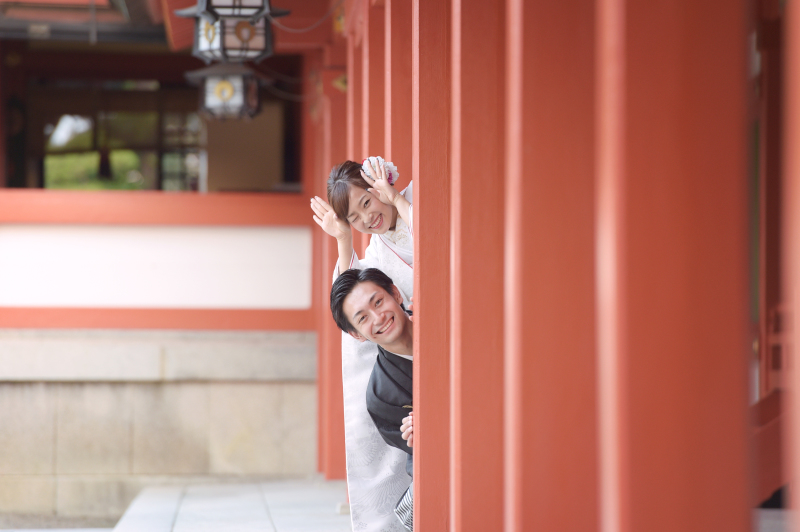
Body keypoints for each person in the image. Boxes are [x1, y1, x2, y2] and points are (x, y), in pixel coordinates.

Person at [310, 159, 414, 532]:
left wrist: (398, 200)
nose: (367, 219)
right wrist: (342, 239)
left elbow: (440, 240)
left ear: (378, 186)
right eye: (354, 218)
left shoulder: (417, 200)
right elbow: (353, 298)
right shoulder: (379, 257)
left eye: (367, 203)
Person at [330, 268, 415, 531]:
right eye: (363, 318)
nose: (379, 318)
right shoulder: (381, 397)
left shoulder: (447, 318)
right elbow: (419, 451)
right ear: (356, 334)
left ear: (395, 293)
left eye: (378, 302)